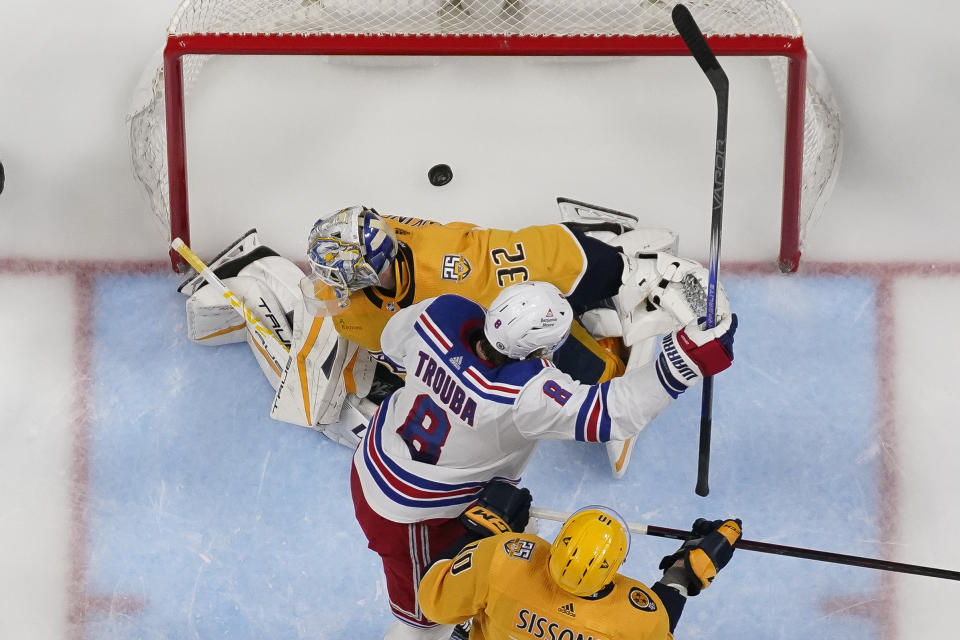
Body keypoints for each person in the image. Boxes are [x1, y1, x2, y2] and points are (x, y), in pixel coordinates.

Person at [178, 204, 728, 477]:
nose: (326, 287)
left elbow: (509, 306)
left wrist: (642, 272)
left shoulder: (446, 288)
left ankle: (620, 282)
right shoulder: (382, 259)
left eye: (337, 280)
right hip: (506, 304)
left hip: (537, 278)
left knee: (610, 305)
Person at [349, 280, 737, 638]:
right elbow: (614, 413)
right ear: (538, 350)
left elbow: (391, 346)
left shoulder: (440, 313)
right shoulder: (525, 397)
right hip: (411, 513)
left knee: (514, 540)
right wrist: (689, 357)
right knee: (426, 619)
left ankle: (493, 591)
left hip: (380, 454)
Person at [417, 492, 742, 640]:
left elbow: (434, 602)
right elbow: (657, 625)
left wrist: (480, 531)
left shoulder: (502, 558)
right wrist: (684, 573)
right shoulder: (640, 618)